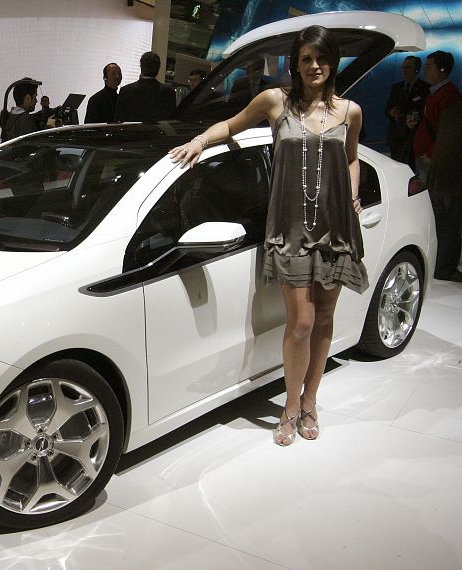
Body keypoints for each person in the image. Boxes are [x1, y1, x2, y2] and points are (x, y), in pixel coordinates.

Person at [170, 25, 368, 446]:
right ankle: (290, 405)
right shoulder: (276, 101)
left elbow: (352, 159)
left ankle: (311, 401)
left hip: (335, 228)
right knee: (301, 323)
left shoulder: (350, 111)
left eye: (321, 58)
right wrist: (200, 140)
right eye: (306, 59)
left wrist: (352, 194)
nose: (314, 66)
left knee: (325, 320)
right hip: (290, 229)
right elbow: (232, 124)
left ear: (333, 62)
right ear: (295, 63)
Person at [411, 51, 462, 183]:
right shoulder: (435, 93)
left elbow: (450, 131)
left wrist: (431, 154)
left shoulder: (449, 95)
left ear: (441, 69)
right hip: (426, 156)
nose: (424, 70)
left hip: (432, 159)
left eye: (428, 66)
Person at [426, 100, 462, 282]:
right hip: (454, 180)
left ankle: (434, 265)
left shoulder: (450, 109)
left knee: (439, 225)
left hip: (438, 176)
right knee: (451, 228)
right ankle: (445, 269)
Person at [384, 56, 430, 168]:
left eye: (408, 67)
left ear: (416, 69)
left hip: (413, 136)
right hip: (396, 136)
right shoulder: (396, 88)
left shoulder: (425, 88)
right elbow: (387, 108)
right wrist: (391, 112)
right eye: (403, 67)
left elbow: (424, 111)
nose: (404, 70)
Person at [114, 51, 176, 122]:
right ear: (158, 68)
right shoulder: (169, 93)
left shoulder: (126, 91)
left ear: (141, 67)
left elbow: (118, 122)